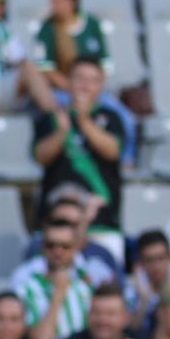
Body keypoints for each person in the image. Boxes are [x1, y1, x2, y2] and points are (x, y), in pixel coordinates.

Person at [33, 57, 123, 241]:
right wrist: (62, 132)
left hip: (101, 224)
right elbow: (41, 156)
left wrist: (83, 120)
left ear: (101, 85)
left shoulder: (111, 117)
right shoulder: (52, 117)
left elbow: (112, 151)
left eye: (92, 80)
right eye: (79, 78)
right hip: (55, 225)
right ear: (68, 82)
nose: (85, 85)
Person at [16, 219, 96, 338]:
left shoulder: (86, 287)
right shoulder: (26, 289)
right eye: (51, 245)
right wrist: (58, 294)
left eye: (65, 246)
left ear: (76, 248)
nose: (58, 251)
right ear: (42, 247)